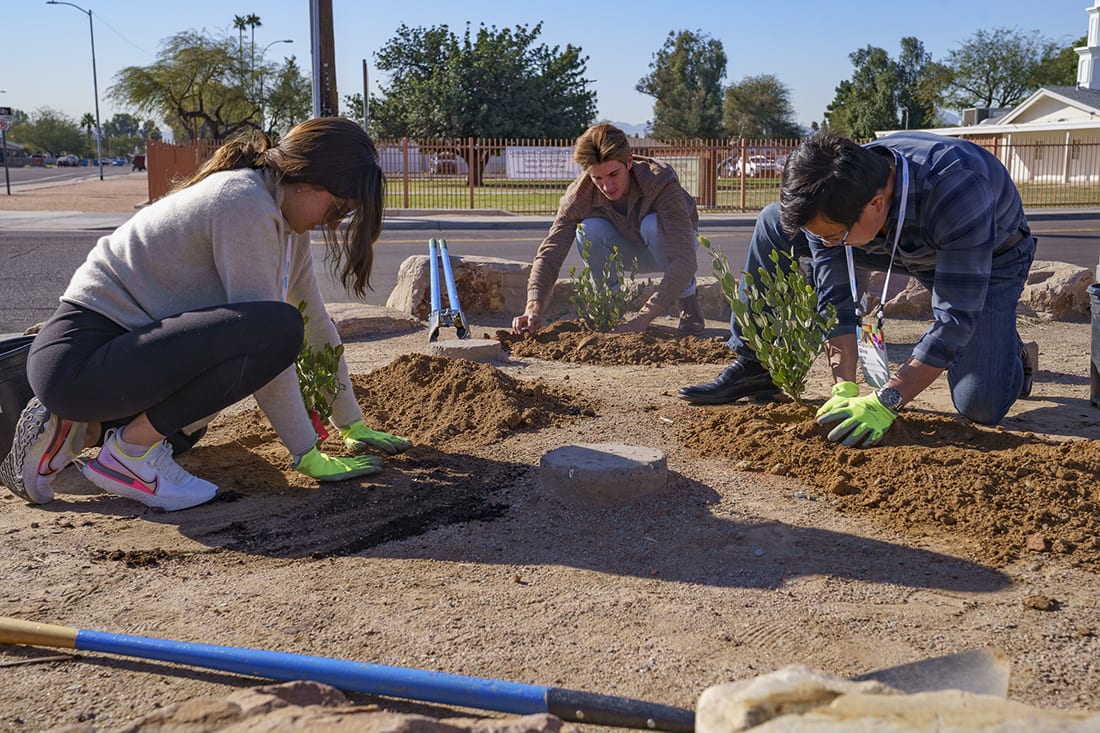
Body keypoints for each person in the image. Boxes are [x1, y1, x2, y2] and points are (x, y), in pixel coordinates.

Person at [0, 117, 411, 512]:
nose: (334, 222)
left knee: (183, 436)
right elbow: (266, 341)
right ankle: (127, 454)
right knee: (275, 328)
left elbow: (315, 324)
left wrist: (351, 424)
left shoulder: (286, 224)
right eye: (338, 207)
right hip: (82, 359)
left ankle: (74, 428)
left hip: (115, 363)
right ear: (306, 175)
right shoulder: (245, 204)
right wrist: (306, 451)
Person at [679, 130, 1036, 447]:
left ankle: (1006, 347)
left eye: (831, 235)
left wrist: (887, 400)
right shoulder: (835, 191)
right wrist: (843, 386)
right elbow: (835, 294)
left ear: (877, 204)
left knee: (980, 405)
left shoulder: (958, 188)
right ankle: (756, 365)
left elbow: (955, 316)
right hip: (881, 240)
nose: (826, 243)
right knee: (773, 220)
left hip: (987, 257)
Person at [511, 123, 704, 336]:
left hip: (669, 250)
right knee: (588, 229)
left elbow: (684, 257)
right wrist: (532, 307)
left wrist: (643, 318)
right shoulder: (578, 196)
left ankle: (688, 303)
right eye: (598, 178)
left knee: (652, 225)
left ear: (629, 161)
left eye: (613, 174)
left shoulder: (660, 180)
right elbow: (550, 254)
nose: (607, 186)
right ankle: (610, 310)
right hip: (626, 253)